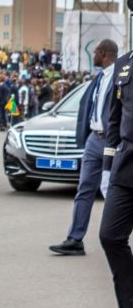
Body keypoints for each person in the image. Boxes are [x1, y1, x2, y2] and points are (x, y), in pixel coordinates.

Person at [49, 39, 117, 256]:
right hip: (93, 140)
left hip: (112, 142)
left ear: (103, 53)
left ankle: (116, 240)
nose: (93, 55)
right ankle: (75, 239)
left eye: (95, 51)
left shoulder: (121, 77)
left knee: (113, 192)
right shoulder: (98, 78)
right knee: (85, 188)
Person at [100, 45, 133, 306]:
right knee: (110, 235)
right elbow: (114, 118)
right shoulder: (124, 64)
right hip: (126, 164)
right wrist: (107, 167)